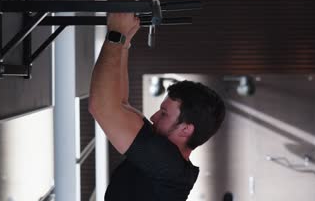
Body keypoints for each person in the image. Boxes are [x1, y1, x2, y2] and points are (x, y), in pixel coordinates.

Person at [88, 13, 226, 201]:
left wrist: (116, 34)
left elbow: (101, 107)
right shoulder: (164, 153)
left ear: (185, 129)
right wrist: (125, 43)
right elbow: (120, 104)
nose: (153, 117)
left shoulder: (168, 166)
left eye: (164, 113)